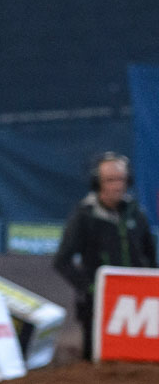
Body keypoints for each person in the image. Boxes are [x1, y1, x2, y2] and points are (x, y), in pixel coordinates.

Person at [53, 152, 158, 358]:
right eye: (110, 180)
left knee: (140, 356)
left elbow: (151, 257)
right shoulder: (84, 216)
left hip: (138, 306)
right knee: (96, 358)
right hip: (97, 307)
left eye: (121, 179)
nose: (117, 186)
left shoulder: (137, 214)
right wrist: (91, 288)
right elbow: (62, 261)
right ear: (97, 183)